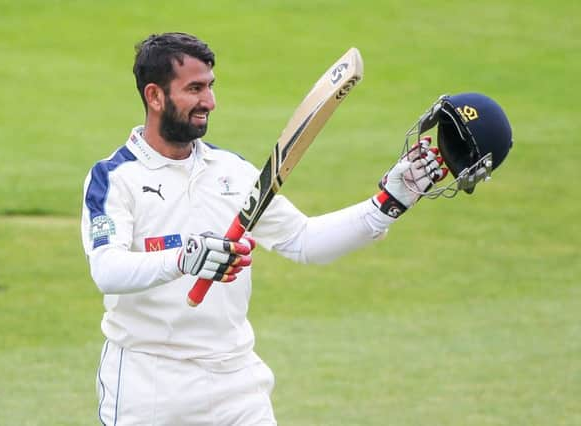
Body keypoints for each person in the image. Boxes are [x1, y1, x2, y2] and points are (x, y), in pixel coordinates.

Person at [81, 32, 447, 426]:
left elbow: (303, 241)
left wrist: (387, 204)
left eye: (210, 86)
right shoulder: (115, 178)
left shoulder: (233, 173)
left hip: (235, 384)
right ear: (154, 96)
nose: (209, 101)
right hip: (150, 386)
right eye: (194, 88)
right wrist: (184, 259)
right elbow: (107, 271)